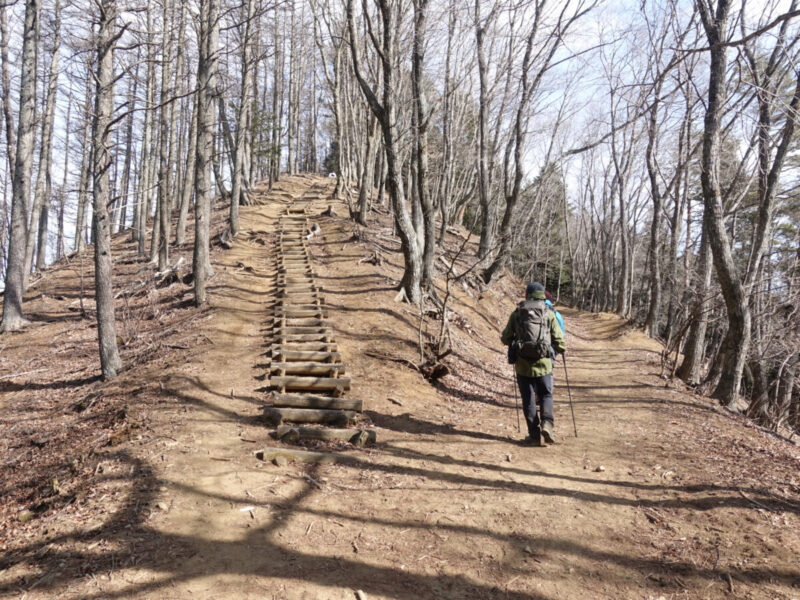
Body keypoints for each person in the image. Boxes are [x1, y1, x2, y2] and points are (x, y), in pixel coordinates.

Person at [501, 282, 566, 446]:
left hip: (523, 365)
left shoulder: (517, 313)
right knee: (546, 395)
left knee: (528, 399)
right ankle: (548, 424)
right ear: (542, 294)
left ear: (527, 294)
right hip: (544, 364)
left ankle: (534, 435)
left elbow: (505, 338)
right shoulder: (548, 313)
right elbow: (560, 341)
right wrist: (557, 349)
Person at [544, 290, 565, 362]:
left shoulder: (523, 311)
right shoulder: (555, 313)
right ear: (550, 300)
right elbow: (561, 335)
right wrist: (561, 348)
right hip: (548, 352)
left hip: (524, 352)